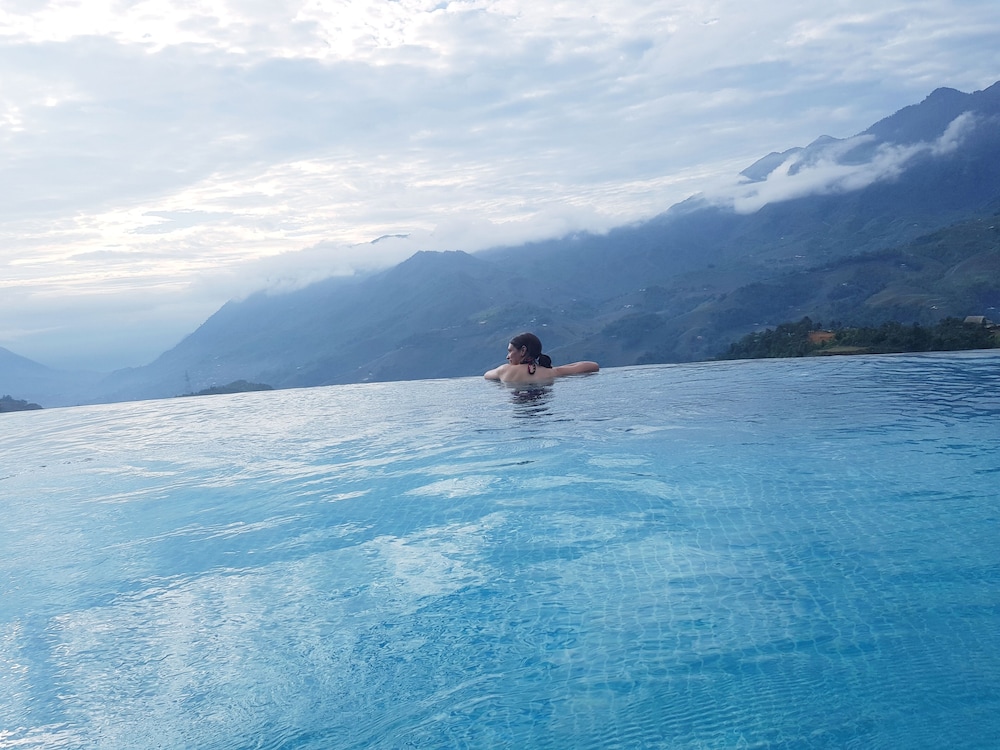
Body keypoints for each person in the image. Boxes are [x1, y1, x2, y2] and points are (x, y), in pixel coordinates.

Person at [484, 332, 599, 383]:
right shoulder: (551, 372)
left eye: (510, 351)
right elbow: (593, 366)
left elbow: (486, 375)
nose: (507, 357)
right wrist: (558, 369)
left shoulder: (504, 371)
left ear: (523, 350)